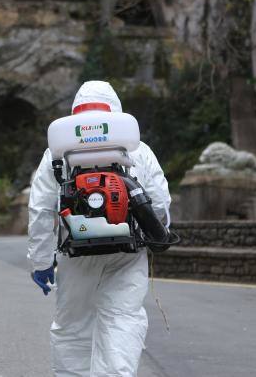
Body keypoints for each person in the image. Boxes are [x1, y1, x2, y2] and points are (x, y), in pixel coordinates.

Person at [27, 80, 171, 377]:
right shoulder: (137, 149)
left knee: (73, 328)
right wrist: (158, 232)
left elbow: (40, 209)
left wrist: (41, 262)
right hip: (127, 253)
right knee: (122, 320)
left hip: (75, 252)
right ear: (115, 109)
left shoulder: (56, 153)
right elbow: (159, 201)